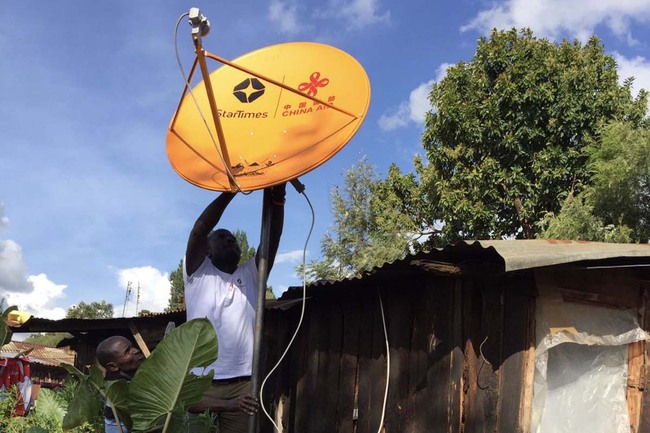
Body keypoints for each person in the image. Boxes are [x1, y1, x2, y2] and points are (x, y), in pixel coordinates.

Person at [183, 184, 286, 433]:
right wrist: (231, 191)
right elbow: (199, 230)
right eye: (221, 237)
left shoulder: (251, 274)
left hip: (242, 383)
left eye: (234, 238)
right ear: (207, 250)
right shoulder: (197, 272)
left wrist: (278, 199)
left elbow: (272, 238)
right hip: (200, 381)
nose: (230, 239)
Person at [96, 336, 145, 433]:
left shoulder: (134, 381)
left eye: (132, 346)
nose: (136, 351)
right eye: (127, 352)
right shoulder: (118, 390)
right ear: (113, 366)